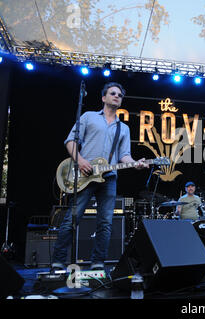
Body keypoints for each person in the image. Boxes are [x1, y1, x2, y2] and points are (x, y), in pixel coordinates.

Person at [51, 82, 148, 271]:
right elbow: (70, 141)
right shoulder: (88, 117)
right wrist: (81, 161)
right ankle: (58, 261)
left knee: (105, 222)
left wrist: (136, 163)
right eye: (113, 93)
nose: (117, 96)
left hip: (109, 178)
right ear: (104, 98)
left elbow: (124, 156)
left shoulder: (124, 128)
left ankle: (97, 263)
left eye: (120, 95)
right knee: (73, 218)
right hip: (84, 174)